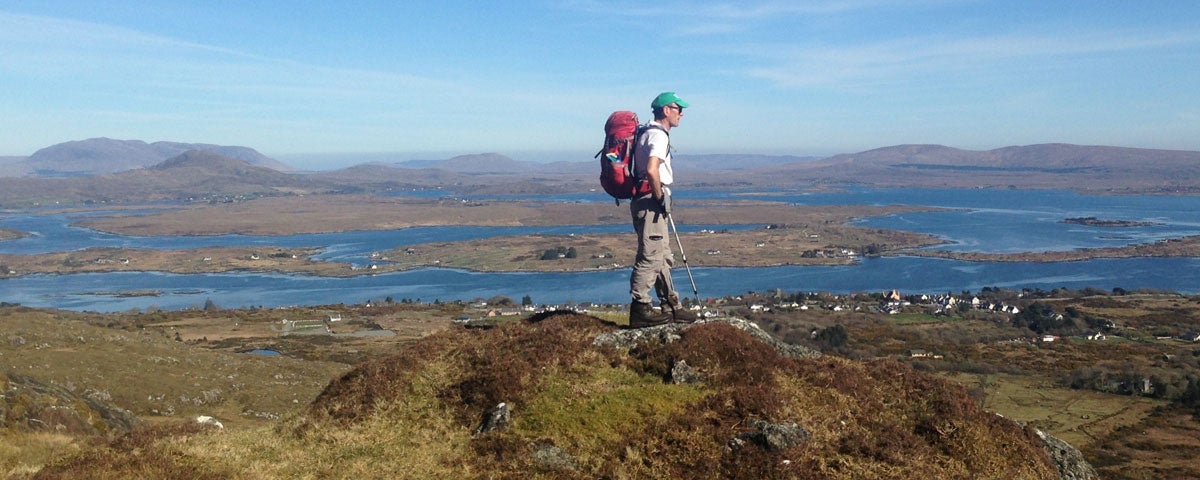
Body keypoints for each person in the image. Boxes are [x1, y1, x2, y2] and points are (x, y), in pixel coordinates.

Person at [627, 92, 698, 328]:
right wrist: (660, 198)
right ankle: (640, 308)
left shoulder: (647, 133)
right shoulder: (658, 136)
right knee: (651, 256)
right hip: (650, 200)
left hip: (645, 200)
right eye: (679, 109)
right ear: (666, 110)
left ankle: (670, 305)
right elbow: (651, 169)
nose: (682, 114)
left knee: (662, 255)